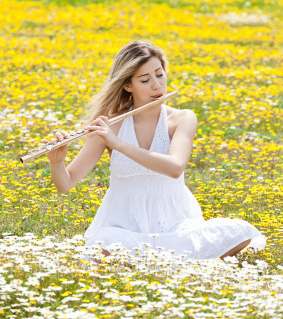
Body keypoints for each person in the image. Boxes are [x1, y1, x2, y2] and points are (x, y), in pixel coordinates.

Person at [44, 40, 266, 261]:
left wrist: (118, 144)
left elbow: (175, 167)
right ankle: (175, 258)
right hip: (124, 228)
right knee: (102, 246)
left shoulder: (182, 118)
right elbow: (66, 183)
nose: (157, 86)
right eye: (145, 79)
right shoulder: (109, 125)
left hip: (177, 225)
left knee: (241, 232)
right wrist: (57, 162)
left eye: (160, 75)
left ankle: (158, 257)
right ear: (128, 85)